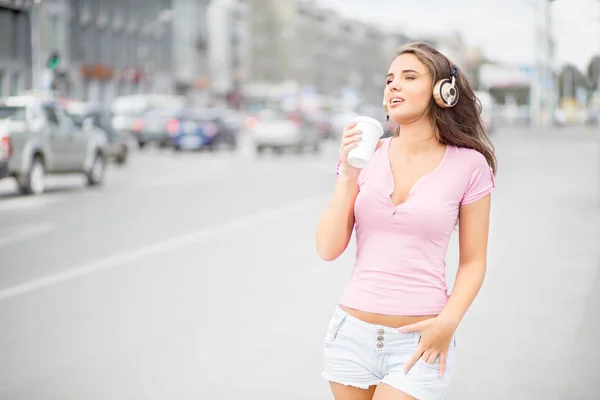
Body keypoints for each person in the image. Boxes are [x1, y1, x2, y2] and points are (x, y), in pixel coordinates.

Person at [315, 42, 497, 400]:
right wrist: (348, 175)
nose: (393, 85)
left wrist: (448, 322)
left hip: (419, 342)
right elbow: (327, 248)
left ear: (443, 91)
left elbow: (474, 261)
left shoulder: (469, 166)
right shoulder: (366, 158)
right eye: (389, 80)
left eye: (409, 77)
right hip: (350, 335)